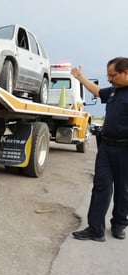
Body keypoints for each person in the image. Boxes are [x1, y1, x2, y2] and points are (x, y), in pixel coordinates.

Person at [71, 57, 128, 242]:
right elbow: (96, 91)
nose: (109, 79)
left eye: (112, 75)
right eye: (108, 75)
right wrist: (81, 78)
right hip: (106, 147)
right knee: (101, 187)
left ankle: (119, 224)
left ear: (126, 73)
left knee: (123, 190)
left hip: (125, 150)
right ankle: (95, 229)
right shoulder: (113, 92)